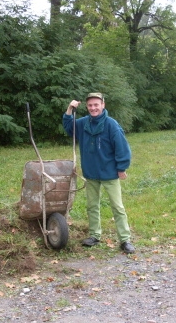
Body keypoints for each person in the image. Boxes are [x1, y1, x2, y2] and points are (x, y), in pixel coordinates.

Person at [62, 92, 135, 254]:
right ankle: (95, 235)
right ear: (87, 107)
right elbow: (69, 128)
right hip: (91, 172)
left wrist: (121, 167)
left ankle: (125, 239)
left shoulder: (111, 125)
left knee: (117, 206)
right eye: (90, 105)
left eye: (96, 105)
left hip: (110, 173)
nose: (93, 108)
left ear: (103, 105)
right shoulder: (82, 124)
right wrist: (69, 110)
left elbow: (122, 147)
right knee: (92, 206)